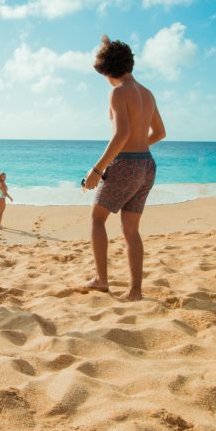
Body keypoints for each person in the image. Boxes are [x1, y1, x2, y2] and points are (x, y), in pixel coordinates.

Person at [82, 36, 166, 300]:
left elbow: (121, 134)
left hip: (127, 164)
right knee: (131, 230)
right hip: (147, 165)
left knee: (97, 218)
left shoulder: (118, 92)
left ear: (107, 71)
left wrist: (97, 170)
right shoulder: (147, 93)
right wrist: (139, 148)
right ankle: (135, 291)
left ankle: (101, 279)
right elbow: (160, 133)